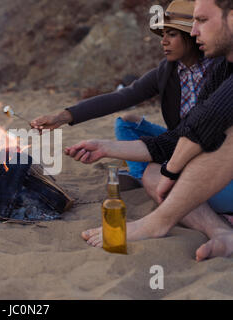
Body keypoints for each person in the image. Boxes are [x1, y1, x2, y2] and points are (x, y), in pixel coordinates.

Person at [66, 0, 233, 261]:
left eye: (201, 21)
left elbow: (210, 121)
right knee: (143, 146)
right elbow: (183, 131)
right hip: (209, 164)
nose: (195, 31)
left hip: (220, 171)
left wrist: (172, 170)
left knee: (210, 144)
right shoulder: (201, 69)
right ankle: (221, 232)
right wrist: (104, 146)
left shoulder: (216, 66)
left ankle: (161, 221)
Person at [31, 0, 214, 182]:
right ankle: (140, 176)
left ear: (192, 35)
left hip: (210, 149)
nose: (163, 42)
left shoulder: (219, 69)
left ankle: (153, 177)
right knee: (126, 123)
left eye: (172, 35)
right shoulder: (167, 71)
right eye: (163, 35)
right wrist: (61, 117)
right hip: (174, 142)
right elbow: (122, 97)